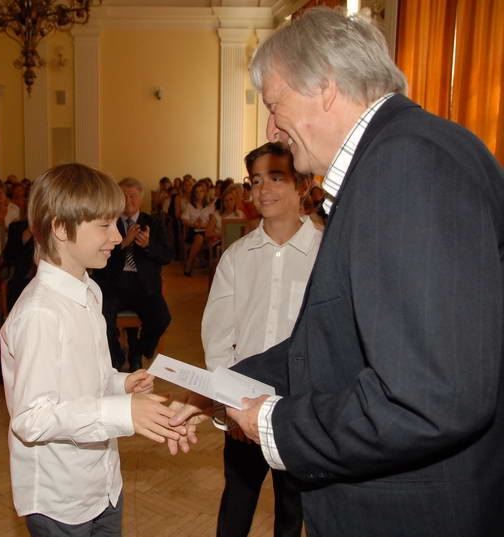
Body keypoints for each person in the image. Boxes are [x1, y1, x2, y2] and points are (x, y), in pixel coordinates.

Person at [170, 8, 504, 537]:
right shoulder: (395, 158)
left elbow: (429, 396)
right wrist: (222, 388)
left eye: (274, 105)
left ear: (324, 86)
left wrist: (275, 423)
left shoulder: (407, 164)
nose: (271, 127)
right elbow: (338, 342)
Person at [0, 163, 183, 537]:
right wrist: (121, 411)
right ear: (60, 228)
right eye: (104, 225)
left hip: (103, 482)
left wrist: (121, 384)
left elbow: (86, 379)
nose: (117, 236)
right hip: (61, 497)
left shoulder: (90, 290)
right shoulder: (40, 314)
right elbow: (32, 418)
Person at [204, 142, 317, 537]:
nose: (263, 189)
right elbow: (219, 338)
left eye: (276, 178)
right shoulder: (237, 255)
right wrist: (231, 403)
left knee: (292, 507)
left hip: (299, 406)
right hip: (244, 401)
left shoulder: (325, 254)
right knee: (238, 499)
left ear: (302, 185)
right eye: (255, 181)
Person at [92, 177, 173, 372]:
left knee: (162, 318)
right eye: (124, 196)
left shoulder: (153, 223)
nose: (128, 201)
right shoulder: (107, 223)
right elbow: (98, 261)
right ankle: (116, 357)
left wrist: (148, 245)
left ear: (141, 198)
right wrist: (123, 244)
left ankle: (137, 351)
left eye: (132, 196)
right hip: (114, 284)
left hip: (144, 285)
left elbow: (167, 256)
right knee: (101, 318)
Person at [181, 179, 214, 276]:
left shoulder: (209, 206)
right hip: (193, 230)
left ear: (204, 193)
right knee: (199, 238)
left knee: (202, 237)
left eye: (201, 191)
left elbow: (213, 220)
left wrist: (205, 225)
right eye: (196, 192)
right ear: (194, 194)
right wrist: (194, 224)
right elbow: (184, 220)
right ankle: (190, 263)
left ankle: (190, 263)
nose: (199, 194)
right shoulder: (190, 206)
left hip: (206, 230)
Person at [205, 183, 246, 251]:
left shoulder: (241, 214)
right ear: (223, 202)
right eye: (226, 200)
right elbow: (208, 233)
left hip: (237, 242)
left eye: (231, 200)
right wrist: (222, 234)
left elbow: (245, 231)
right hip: (221, 242)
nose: (229, 203)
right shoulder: (216, 215)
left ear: (235, 201)